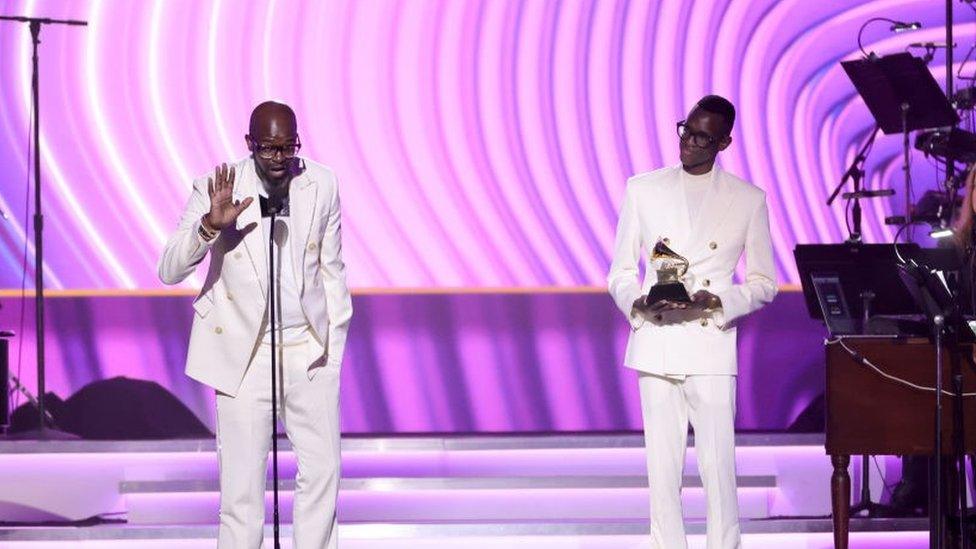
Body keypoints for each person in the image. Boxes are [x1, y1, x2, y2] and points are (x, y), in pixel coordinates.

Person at [159, 101, 352, 549]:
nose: (280, 158)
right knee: (242, 491)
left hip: (308, 351)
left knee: (323, 475)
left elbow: (333, 271)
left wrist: (332, 353)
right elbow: (168, 268)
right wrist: (209, 225)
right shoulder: (218, 186)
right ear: (250, 145)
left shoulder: (321, 184)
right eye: (269, 149)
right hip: (243, 358)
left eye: (288, 147)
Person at [607, 95, 777, 549]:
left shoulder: (748, 200)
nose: (688, 143)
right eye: (685, 130)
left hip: (709, 343)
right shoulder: (643, 189)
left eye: (702, 136)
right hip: (657, 339)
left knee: (719, 472)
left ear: (724, 141)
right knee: (662, 475)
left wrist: (716, 300)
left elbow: (764, 283)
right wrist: (638, 301)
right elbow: (620, 272)